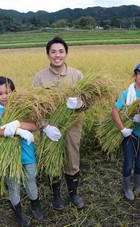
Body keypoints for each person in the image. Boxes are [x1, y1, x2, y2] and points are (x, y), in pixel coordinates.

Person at [33, 36, 85, 210]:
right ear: (48, 55)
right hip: (50, 127)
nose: (57, 55)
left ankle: (74, 194)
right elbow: (35, 106)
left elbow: (88, 101)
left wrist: (79, 104)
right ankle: (56, 196)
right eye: (53, 52)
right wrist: (44, 126)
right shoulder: (40, 77)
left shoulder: (77, 75)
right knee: (53, 162)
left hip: (72, 127)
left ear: (66, 53)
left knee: (72, 160)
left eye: (61, 51)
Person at [0, 76, 43, 226]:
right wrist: (17, 131)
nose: (5, 96)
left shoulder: (23, 107)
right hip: (9, 157)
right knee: (13, 183)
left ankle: (35, 204)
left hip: (27, 151)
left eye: (8, 92)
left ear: (14, 92)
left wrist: (18, 124)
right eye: (0, 93)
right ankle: (18, 212)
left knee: (31, 177)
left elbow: (34, 125)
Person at [111, 63, 140, 201]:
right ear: (135, 76)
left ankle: (138, 186)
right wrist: (122, 129)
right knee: (129, 163)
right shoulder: (126, 94)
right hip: (129, 134)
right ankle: (127, 188)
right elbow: (115, 111)